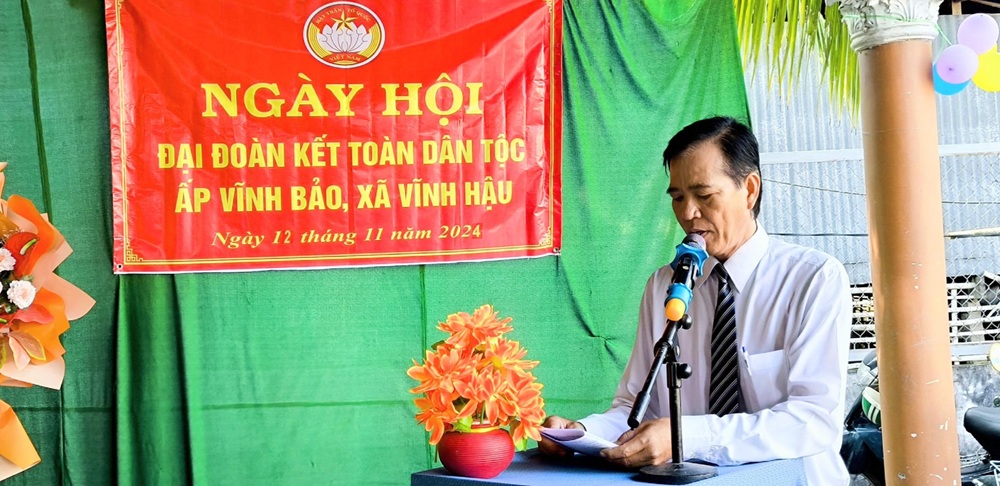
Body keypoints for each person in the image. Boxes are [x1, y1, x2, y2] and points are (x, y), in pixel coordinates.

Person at [540, 116, 852, 485]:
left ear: (750, 190)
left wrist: (687, 436)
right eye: (677, 198)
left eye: (704, 196)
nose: (688, 213)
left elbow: (813, 421)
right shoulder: (665, 286)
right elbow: (637, 409)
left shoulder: (813, 279)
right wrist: (581, 432)